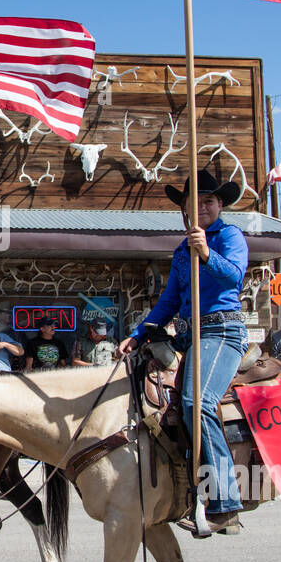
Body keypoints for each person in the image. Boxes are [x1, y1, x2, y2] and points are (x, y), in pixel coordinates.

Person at [119, 169, 249, 537]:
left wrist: (206, 252)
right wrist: (138, 333)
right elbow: (169, 301)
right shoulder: (180, 251)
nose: (202, 208)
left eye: (208, 201)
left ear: (220, 204)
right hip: (189, 336)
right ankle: (181, 488)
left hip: (222, 330)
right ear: (186, 209)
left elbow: (235, 277)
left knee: (197, 401)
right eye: (195, 203)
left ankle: (225, 503)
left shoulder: (229, 236)